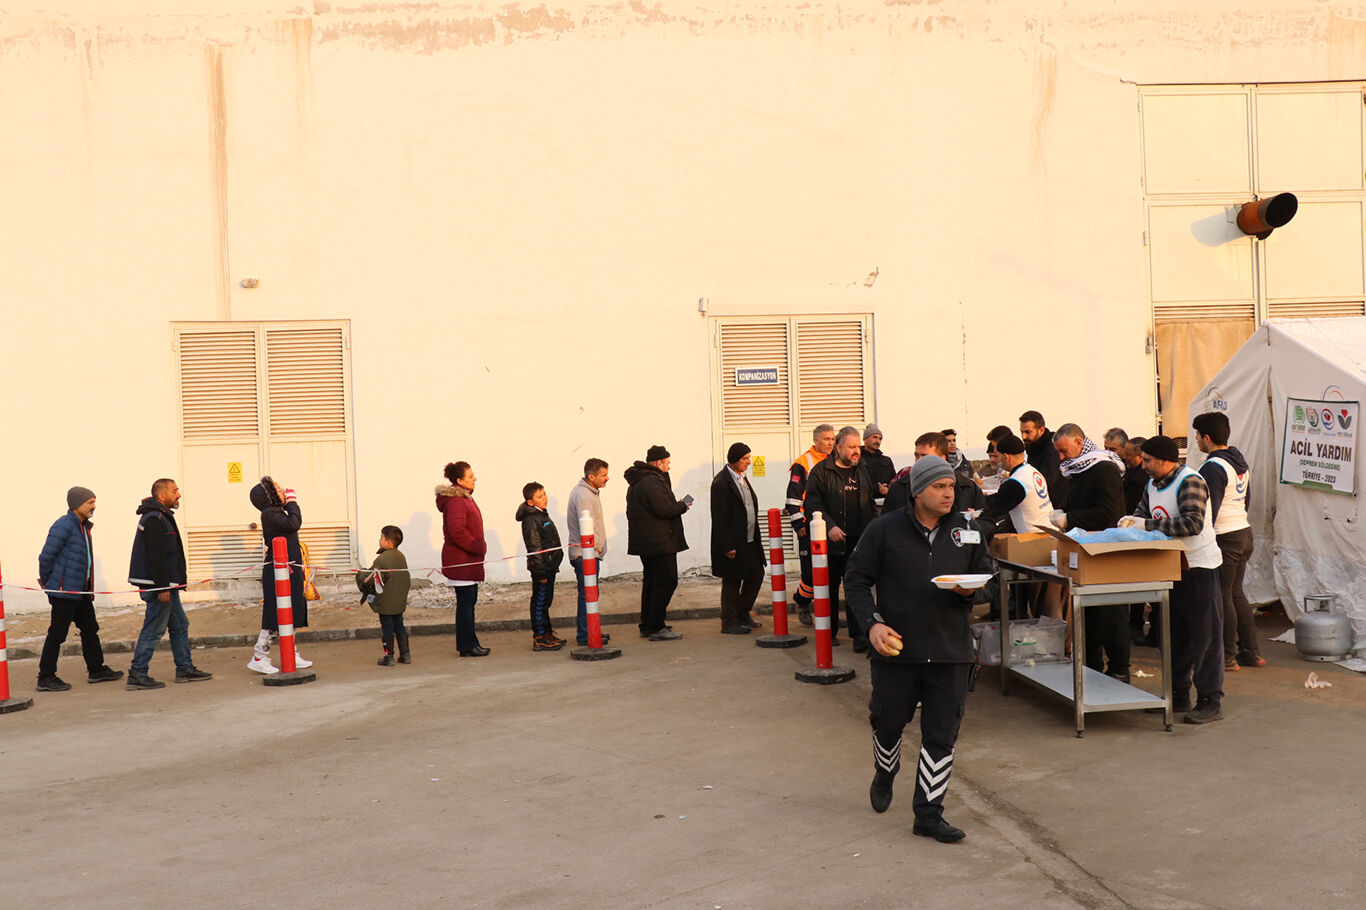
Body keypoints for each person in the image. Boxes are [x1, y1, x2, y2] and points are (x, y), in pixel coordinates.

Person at [844, 455, 994, 844]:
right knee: (888, 722)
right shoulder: (884, 529)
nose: (949, 494)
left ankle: (928, 814)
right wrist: (872, 624)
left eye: (952, 487)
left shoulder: (967, 529)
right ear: (917, 492)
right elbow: (855, 579)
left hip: (950, 651)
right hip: (898, 652)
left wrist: (971, 592)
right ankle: (885, 771)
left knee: (942, 734)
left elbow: (989, 582)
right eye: (939, 487)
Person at [1124, 435, 1224, 724]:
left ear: (1165, 461)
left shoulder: (1190, 481)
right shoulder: (1152, 484)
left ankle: (1210, 700)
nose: (1143, 465)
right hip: (1171, 568)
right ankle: (1178, 694)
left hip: (1199, 568)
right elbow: (1141, 514)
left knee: (1205, 637)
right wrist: (1130, 524)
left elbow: (1192, 523)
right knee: (1175, 636)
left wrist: (1147, 525)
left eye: (1148, 460)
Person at [1050, 425, 1128, 680]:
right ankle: (1091, 666)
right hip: (1085, 550)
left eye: (1064, 451)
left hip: (1106, 552)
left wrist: (1069, 518)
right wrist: (1064, 512)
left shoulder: (1103, 468)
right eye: (1058, 452)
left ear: (1079, 442)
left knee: (1110, 613)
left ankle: (1119, 670)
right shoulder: (1078, 469)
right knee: (1088, 614)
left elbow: (1109, 512)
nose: (1061, 457)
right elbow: (1080, 501)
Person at [126, 478, 212, 689]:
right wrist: (163, 587)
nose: (179, 494)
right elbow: (156, 556)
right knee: (153, 630)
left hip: (167, 586)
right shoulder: (154, 518)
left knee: (180, 625)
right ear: (161, 496)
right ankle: (137, 674)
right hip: (159, 587)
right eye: (174, 491)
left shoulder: (161, 515)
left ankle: (184, 669)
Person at [1193, 411, 1262, 671]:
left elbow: (1209, 507)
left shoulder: (1213, 467)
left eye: (1197, 435)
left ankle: (1227, 655)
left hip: (1225, 535)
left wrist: (1203, 536)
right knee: (1235, 593)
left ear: (1207, 438)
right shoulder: (1238, 461)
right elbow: (1246, 500)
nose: (1196, 440)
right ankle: (1251, 652)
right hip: (1242, 531)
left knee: (1223, 595)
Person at [35, 487, 123, 691]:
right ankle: (45, 677)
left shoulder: (83, 526)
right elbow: (46, 557)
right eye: (89, 502)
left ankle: (96, 670)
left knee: (90, 628)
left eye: (94, 501)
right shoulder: (64, 525)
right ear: (76, 505)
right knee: (57, 633)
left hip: (80, 591)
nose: (94, 506)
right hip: (65, 591)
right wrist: (50, 585)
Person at [804, 426, 878, 651]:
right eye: (852, 447)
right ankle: (829, 631)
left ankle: (860, 635)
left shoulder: (862, 469)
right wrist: (830, 526)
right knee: (829, 588)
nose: (857, 451)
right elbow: (812, 504)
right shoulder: (821, 472)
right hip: (830, 543)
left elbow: (869, 503)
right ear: (838, 448)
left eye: (858, 447)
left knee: (856, 587)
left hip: (858, 542)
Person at [247, 477, 314, 673]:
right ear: (269, 496)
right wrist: (292, 502)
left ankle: (290, 652)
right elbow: (294, 523)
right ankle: (259, 657)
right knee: (274, 614)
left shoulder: (275, 511)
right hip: (277, 571)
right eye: (277, 489)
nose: (283, 490)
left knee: (291, 611)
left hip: (289, 569)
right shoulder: (270, 513)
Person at [625, 445, 691, 641]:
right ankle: (656, 626)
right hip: (659, 542)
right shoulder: (652, 482)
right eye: (667, 463)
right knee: (666, 582)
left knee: (652, 583)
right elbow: (664, 509)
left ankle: (648, 625)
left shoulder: (639, 481)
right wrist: (682, 505)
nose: (669, 467)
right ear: (659, 463)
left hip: (649, 542)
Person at [710, 442, 766, 634]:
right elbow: (719, 518)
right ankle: (729, 621)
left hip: (750, 540)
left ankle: (742, 613)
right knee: (732, 581)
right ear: (734, 459)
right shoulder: (721, 483)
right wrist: (728, 545)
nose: (749, 462)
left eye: (749, 457)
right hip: (733, 542)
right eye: (745, 458)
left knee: (756, 574)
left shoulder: (742, 478)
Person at [785, 424, 836, 626]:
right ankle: (802, 601)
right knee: (811, 573)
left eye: (832, 439)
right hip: (809, 526)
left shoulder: (836, 460)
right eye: (826, 439)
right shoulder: (803, 463)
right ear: (815, 440)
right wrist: (799, 525)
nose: (830, 443)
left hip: (830, 526)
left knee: (830, 572)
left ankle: (829, 614)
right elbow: (793, 498)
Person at [438, 461, 490, 656]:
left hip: (467, 560)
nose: (475, 479)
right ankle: (468, 645)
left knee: (468, 603)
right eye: (470, 476)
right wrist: (476, 546)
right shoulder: (457, 500)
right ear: (459, 480)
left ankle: (468, 644)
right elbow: (457, 531)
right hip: (462, 560)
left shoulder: (464, 498)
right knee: (466, 604)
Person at [566, 458, 612, 647]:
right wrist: (596, 547)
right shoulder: (585, 496)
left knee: (589, 594)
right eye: (604, 475)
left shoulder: (586, 492)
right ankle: (586, 634)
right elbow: (587, 527)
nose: (607, 478)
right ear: (591, 476)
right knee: (588, 595)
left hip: (588, 553)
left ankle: (590, 631)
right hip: (585, 554)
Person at [886, 432, 985, 515]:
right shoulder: (900, 487)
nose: (918, 461)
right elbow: (886, 524)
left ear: (942, 459)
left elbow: (987, 522)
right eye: (917, 456)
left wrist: (972, 523)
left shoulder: (967, 487)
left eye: (925, 456)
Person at [518, 482, 566, 651]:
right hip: (542, 569)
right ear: (530, 502)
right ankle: (539, 637)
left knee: (546, 601)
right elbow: (534, 548)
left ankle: (547, 633)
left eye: (545, 494)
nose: (545, 498)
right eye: (540, 496)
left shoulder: (541, 514)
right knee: (539, 602)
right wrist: (541, 572)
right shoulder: (531, 519)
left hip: (549, 566)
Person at [356, 525, 412, 666]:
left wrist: (361, 575)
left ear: (388, 542)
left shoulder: (382, 560)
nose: (379, 540)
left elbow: (371, 579)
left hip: (386, 601)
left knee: (387, 628)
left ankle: (389, 656)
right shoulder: (401, 556)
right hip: (399, 600)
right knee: (399, 625)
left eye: (381, 538)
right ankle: (405, 654)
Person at [1019, 410, 1069, 506]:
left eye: (1028, 432)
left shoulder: (1052, 449)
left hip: (1053, 507)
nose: (1024, 436)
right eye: (1022, 432)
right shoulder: (1033, 446)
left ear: (1041, 430)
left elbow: (1045, 483)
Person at [861, 424, 896, 511]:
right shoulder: (857, 460)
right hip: (864, 507)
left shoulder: (886, 460)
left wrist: (887, 489)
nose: (878, 441)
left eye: (880, 438)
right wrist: (877, 489)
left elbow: (894, 482)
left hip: (885, 507)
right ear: (865, 439)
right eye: (875, 437)